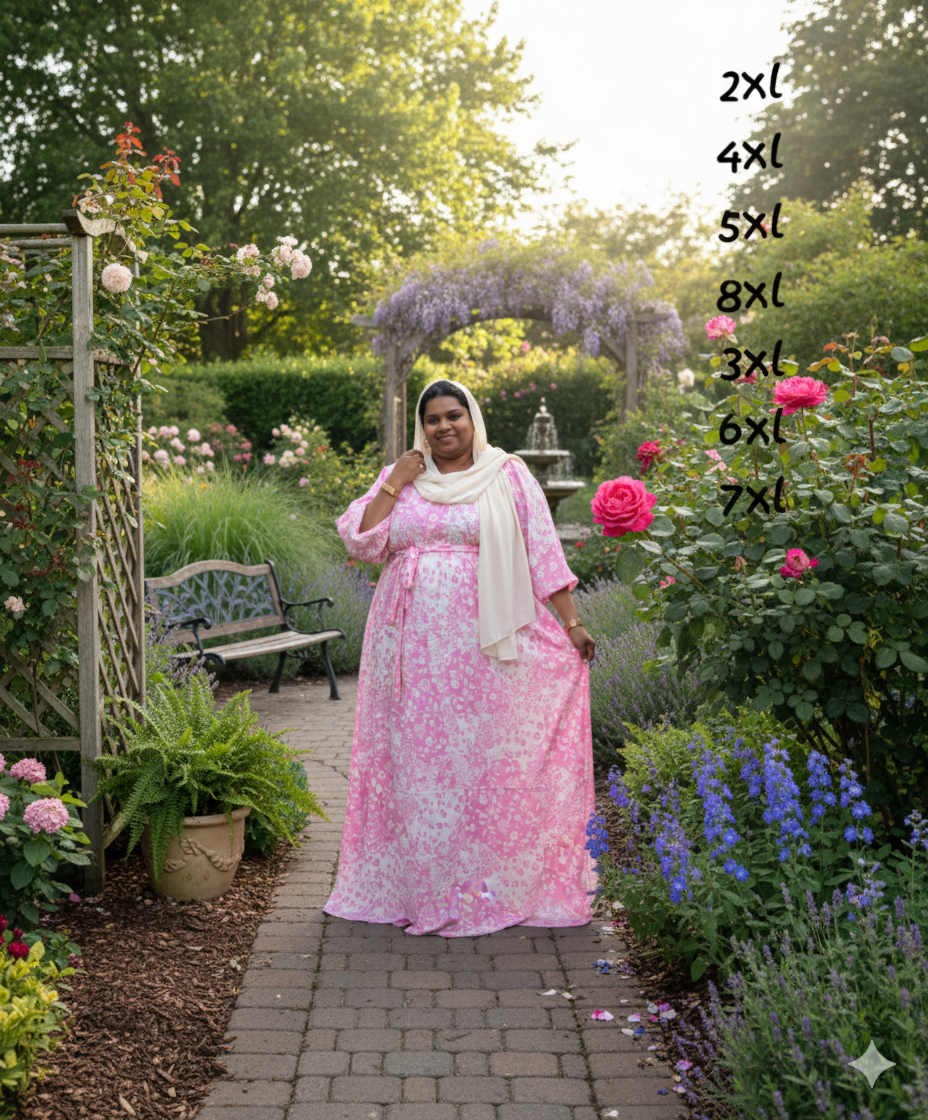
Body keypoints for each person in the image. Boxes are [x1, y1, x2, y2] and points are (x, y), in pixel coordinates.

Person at [322, 378, 597, 937]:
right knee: (416, 761)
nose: (443, 427)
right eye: (432, 420)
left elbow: (541, 550)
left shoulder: (507, 474)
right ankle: (417, 886)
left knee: (480, 760)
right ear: (421, 427)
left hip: (482, 644)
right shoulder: (404, 477)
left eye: (454, 416)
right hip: (406, 640)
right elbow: (362, 542)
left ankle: (486, 886)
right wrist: (395, 482)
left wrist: (571, 622)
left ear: (472, 419)